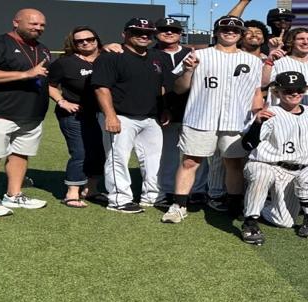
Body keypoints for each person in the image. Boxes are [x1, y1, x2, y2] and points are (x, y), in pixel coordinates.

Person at [164, 16, 263, 222]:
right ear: (216, 32)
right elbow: (179, 88)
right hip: (200, 116)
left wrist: (257, 116)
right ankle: (179, 205)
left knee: (233, 163)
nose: (230, 32)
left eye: (235, 30)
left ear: (240, 34)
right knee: (190, 161)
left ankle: (234, 205)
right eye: (225, 29)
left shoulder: (253, 61)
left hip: (236, 119)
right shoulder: (198, 55)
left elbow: (256, 92)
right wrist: (188, 71)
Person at [0, 7, 51, 217]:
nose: (38, 28)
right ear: (16, 22)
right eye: (33, 23)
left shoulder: (42, 49)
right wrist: (25, 74)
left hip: (31, 113)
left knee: (21, 153)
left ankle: (14, 195)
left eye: (42, 25)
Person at [238, 71, 308, 245]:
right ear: (277, 92)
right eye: (288, 90)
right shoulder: (269, 113)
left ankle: (262, 203)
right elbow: (247, 145)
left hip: (294, 171)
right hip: (265, 164)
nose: (294, 93)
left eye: (299, 90)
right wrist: (257, 124)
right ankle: (250, 223)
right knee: (262, 175)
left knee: (284, 222)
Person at [91, 17, 167, 213]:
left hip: (150, 117)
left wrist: (164, 109)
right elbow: (101, 88)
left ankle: (152, 195)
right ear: (125, 34)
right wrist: (110, 115)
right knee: (117, 158)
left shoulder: (156, 57)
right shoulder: (111, 56)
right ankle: (119, 199)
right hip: (121, 116)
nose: (143, 35)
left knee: (154, 160)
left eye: (148, 33)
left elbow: (161, 87)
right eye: (137, 32)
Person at [47, 24, 103, 208]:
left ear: (97, 40)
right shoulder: (65, 62)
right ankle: (72, 193)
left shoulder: (107, 58)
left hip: (100, 114)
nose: (85, 43)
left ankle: (91, 189)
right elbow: (49, 85)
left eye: (90, 39)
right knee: (80, 152)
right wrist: (62, 101)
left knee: (98, 151)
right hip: (74, 115)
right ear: (74, 43)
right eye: (80, 41)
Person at [152, 17, 197, 206]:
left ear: (181, 34)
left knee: (196, 155)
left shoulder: (191, 54)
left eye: (174, 30)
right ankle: (168, 190)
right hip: (163, 112)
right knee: (167, 154)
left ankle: (198, 190)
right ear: (156, 33)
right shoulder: (149, 54)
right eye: (164, 29)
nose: (169, 32)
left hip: (194, 111)